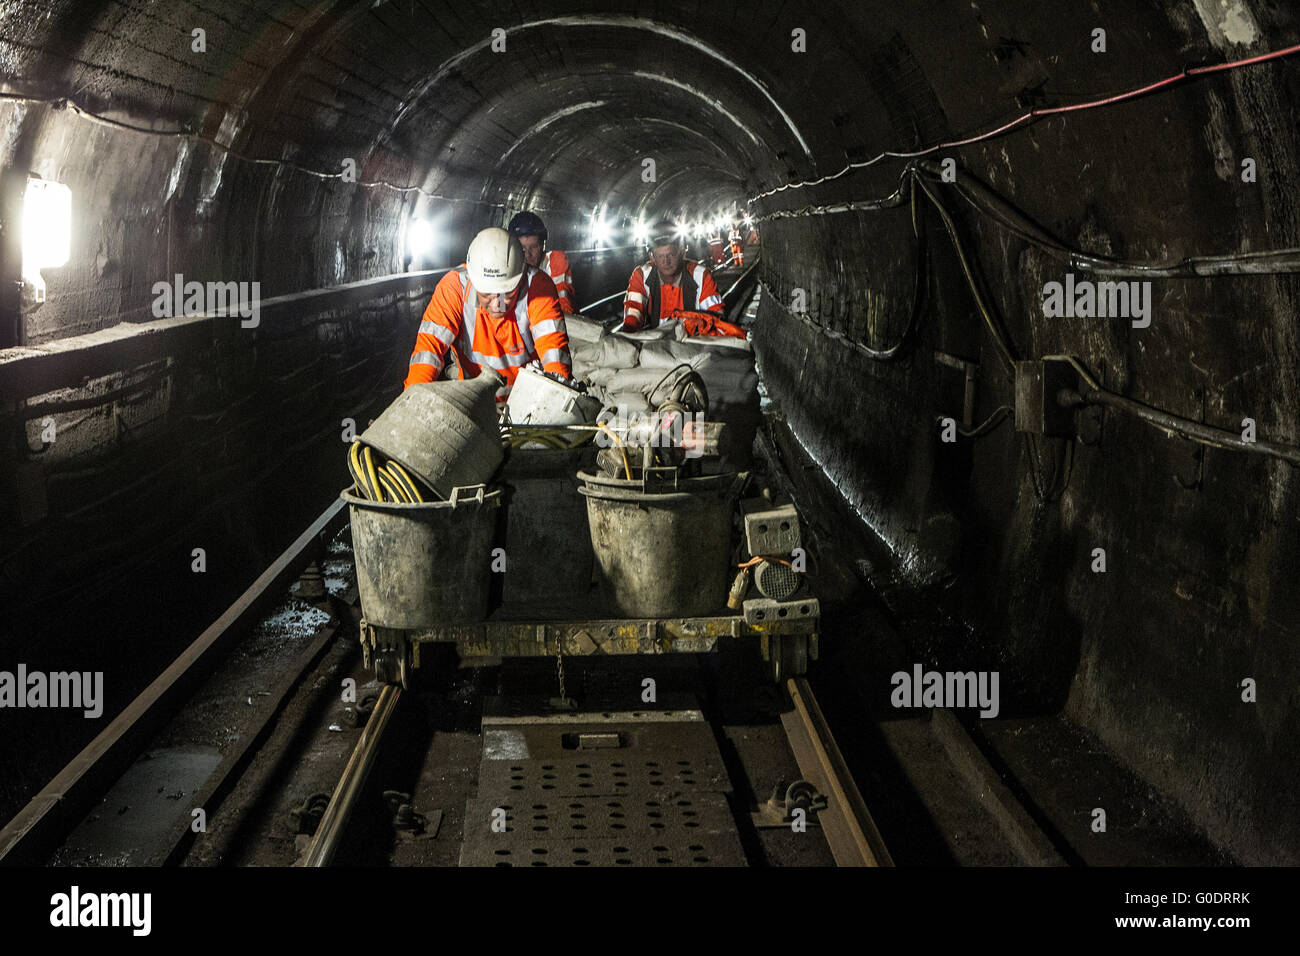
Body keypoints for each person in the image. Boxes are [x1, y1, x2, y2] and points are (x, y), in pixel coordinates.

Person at [404, 227, 571, 400]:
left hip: (527, 403)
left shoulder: (538, 287)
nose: (497, 304)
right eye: (486, 294)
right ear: (473, 279)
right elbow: (427, 353)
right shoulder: (454, 287)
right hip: (472, 402)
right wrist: (412, 403)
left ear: (521, 277)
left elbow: (555, 358)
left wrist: (554, 401)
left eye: (507, 292)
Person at [620, 220, 724, 332]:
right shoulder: (641, 276)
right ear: (652, 257)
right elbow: (633, 312)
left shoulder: (700, 276)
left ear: (682, 252)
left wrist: (695, 325)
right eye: (660, 256)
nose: (666, 261)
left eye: (671, 254)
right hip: (652, 345)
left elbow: (716, 319)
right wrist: (629, 330)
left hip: (693, 344)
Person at [508, 211, 576, 316]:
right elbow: (500, 310)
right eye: (522, 248)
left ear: (543, 246)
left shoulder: (555, 262)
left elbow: (564, 310)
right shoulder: (505, 265)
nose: (527, 254)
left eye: (534, 247)